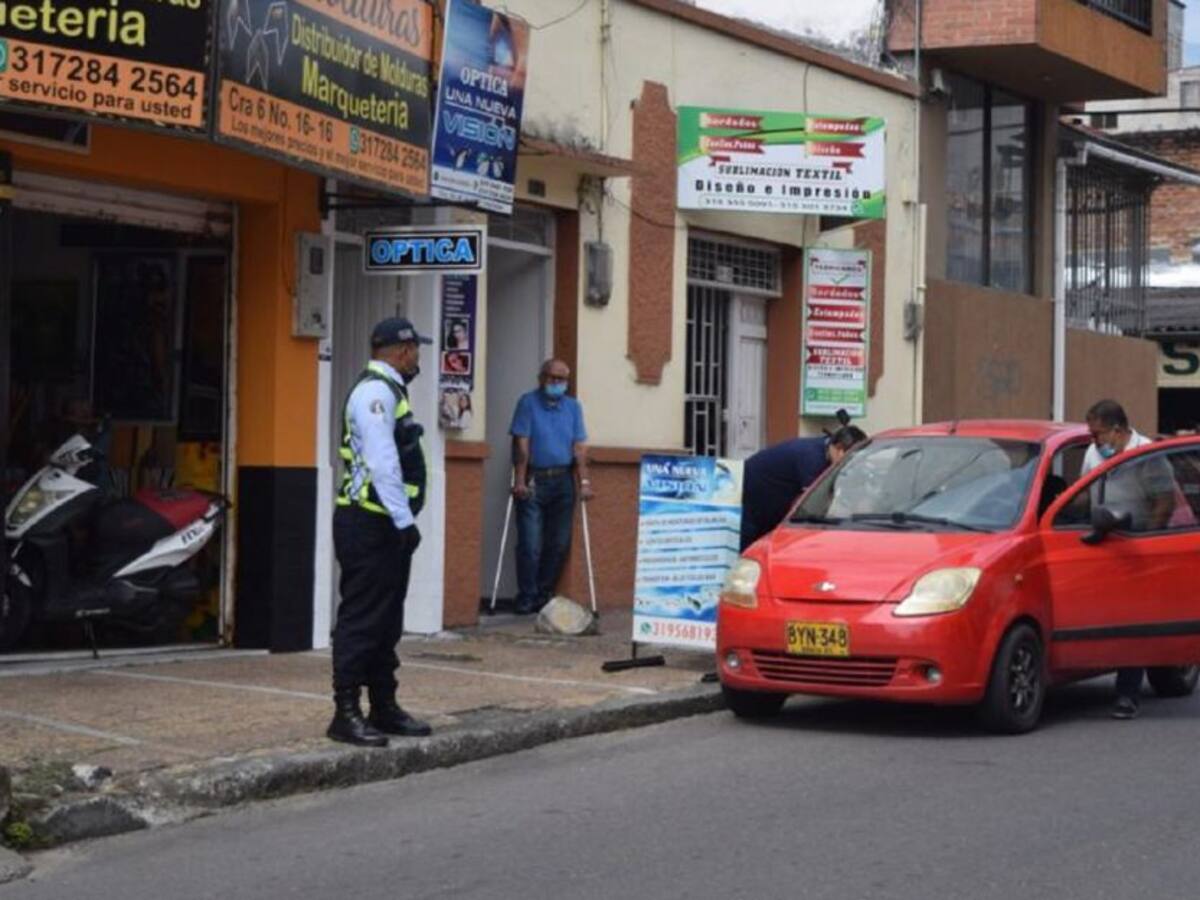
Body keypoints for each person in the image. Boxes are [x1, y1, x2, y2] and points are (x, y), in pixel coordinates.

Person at [329, 317, 434, 747]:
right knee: (361, 619)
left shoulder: (390, 391)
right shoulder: (375, 393)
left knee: (386, 620)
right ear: (403, 350)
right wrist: (403, 522)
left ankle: (384, 706)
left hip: (381, 523)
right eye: (416, 350)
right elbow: (382, 462)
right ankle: (346, 712)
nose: (419, 358)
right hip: (369, 523)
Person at [1082, 399, 1173, 721]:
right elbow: (1085, 492)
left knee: (1132, 621)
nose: (1094, 441)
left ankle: (1127, 693)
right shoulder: (1094, 454)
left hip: (1137, 545)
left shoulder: (1147, 454)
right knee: (1106, 617)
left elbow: (1165, 500)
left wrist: (1148, 539)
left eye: (1098, 434)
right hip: (1102, 544)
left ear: (1118, 431)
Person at [509, 359, 592, 615]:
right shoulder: (528, 403)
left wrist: (585, 482)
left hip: (563, 480)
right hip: (535, 478)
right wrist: (520, 480)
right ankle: (527, 595)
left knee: (559, 543)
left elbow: (579, 447)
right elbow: (522, 444)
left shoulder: (573, 408)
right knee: (530, 543)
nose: (556, 383)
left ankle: (543, 593)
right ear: (541, 377)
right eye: (552, 378)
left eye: (562, 379)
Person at [740, 415, 868, 551]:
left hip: (775, 496)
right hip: (753, 495)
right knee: (750, 546)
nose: (850, 465)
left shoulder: (825, 450)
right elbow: (813, 504)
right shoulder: (811, 458)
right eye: (849, 458)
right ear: (838, 448)